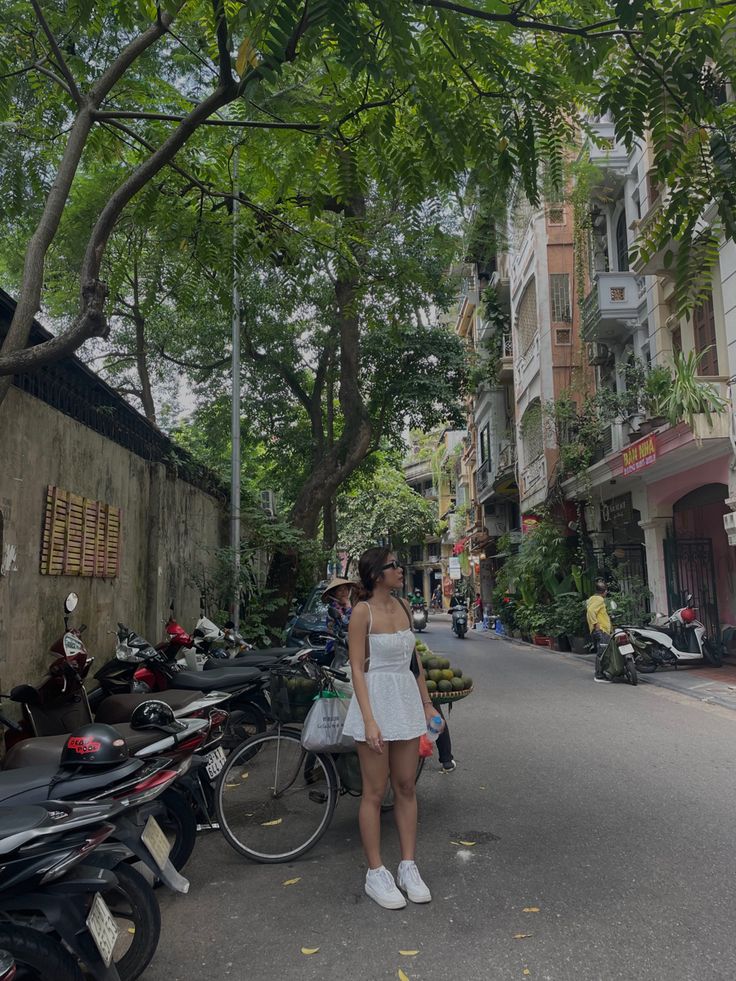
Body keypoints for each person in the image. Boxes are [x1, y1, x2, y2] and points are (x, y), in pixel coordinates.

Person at [343, 547, 441, 910]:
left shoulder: (401, 607)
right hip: (375, 700)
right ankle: (375, 872)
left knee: (406, 785)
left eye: (399, 564)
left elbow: (413, 658)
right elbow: (356, 668)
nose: (400, 569)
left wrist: (428, 703)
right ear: (375, 574)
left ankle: (408, 866)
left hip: (404, 699)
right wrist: (369, 720)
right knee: (374, 791)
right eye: (393, 565)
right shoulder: (361, 613)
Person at [587, 578, 613, 683]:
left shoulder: (592, 599)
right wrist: (596, 624)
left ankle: (602, 673)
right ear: (605, 591)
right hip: (601, 630)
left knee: (601, 651)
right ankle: (599, 675)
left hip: (599, 630)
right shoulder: (600, 600)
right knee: (602, 652)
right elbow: (590, 611)